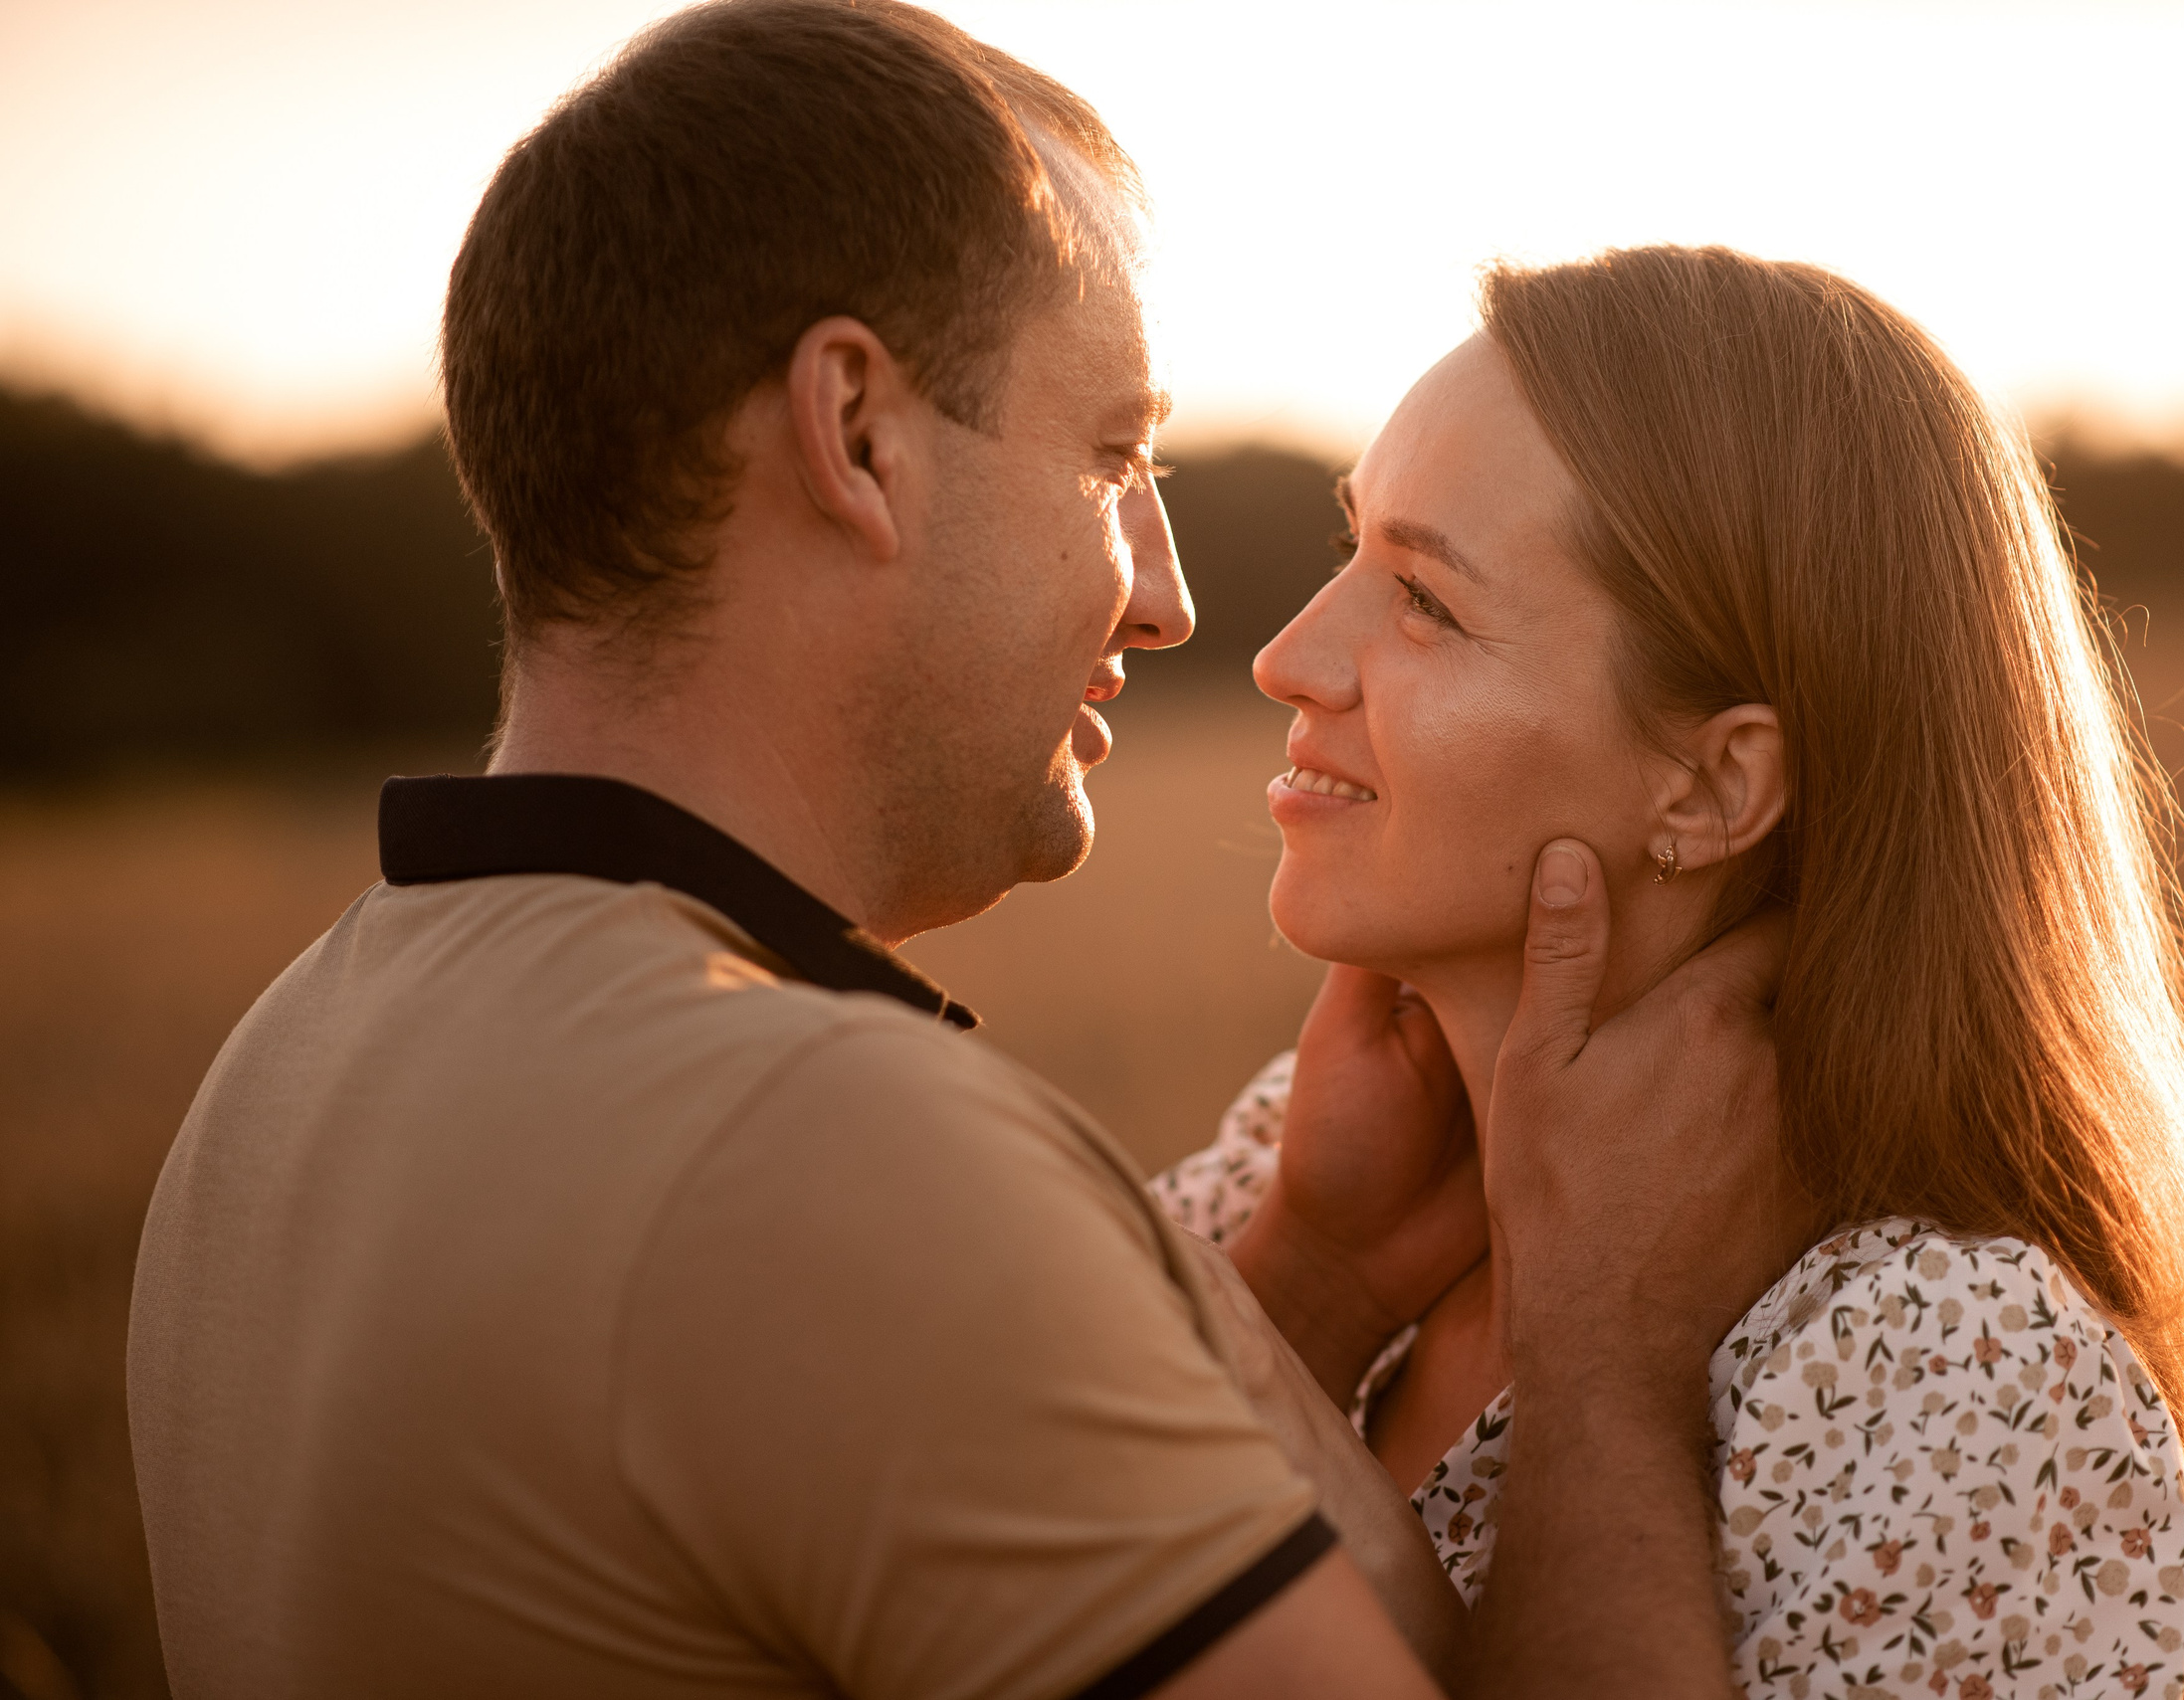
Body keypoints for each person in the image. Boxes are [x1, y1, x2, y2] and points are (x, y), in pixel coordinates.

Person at [124, 6, 1796, 1699]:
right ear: (856, 433)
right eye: (1111, 456)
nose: (1170, 595)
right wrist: (1605, 1357)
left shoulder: (277, 1075)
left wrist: (1326, 1271)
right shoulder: (816, 1152)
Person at [1156, 246, 2184, 1700]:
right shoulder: (1292, 1162)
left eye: (1425, 602)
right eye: (1351, 553)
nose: (1286, 658)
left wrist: (1603, 1377)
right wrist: (1310, 1285)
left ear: (1713, 787)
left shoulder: (1949, 1370)